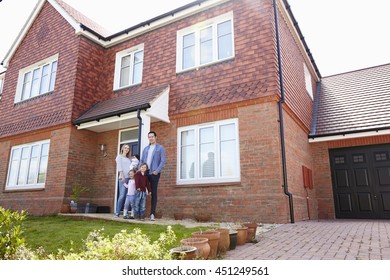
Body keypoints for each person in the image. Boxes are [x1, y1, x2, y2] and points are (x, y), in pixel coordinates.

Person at [140, 131, 166, 221]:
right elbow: (142, 160)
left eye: (152, 137)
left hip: (154, 173)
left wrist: (157, 171)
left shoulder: (160, 148)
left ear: (156, 137)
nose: (151, 138)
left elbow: (163, 161)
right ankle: (141, 213)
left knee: (153, 193)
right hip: (145, 173)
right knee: (141, 192)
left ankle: (152, 214)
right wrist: (141, 170)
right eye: (149, 137)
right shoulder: (146, 149)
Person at [115, 144, 132, 217]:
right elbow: (119, 167)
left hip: (129, 178)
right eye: (125, 148)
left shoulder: (129, 159)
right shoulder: (119, 157)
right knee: (122, 195)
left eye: (128, 148)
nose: (126, 149)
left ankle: (125, 212)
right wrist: (122, 177)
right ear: (122, 149)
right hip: (122, 178)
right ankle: (117, 212)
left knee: (127, 196)